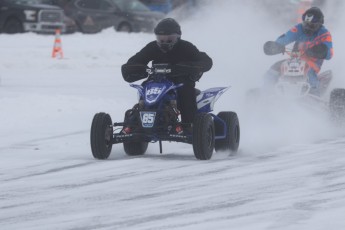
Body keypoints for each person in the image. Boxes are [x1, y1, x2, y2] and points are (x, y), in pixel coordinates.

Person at [121, 18, 213, 127]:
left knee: (185, 92)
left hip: (181, 82)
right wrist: (136, 69)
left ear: (178, 37)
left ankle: (189, 125)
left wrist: (184, 68)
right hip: (157, 80)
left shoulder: (186, 47)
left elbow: (206, 61)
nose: (165, 42)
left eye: (170, 39)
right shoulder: (152, 47)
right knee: (143, 88)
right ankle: (135, 123)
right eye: (161, 39)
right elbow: (135, 61)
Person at [263, 7, 333, 96]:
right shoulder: (299, 28)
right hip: (294, 61)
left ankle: (314, 94)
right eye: (305, 24)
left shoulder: (324, 34)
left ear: (319, 24)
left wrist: (318, 50)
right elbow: (285, 38)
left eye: (311, 25)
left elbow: (329, 53)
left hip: (312, 63)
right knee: (275, 68)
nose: (307, 28)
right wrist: (276, 46)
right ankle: (265, 92)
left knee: (308, 73)